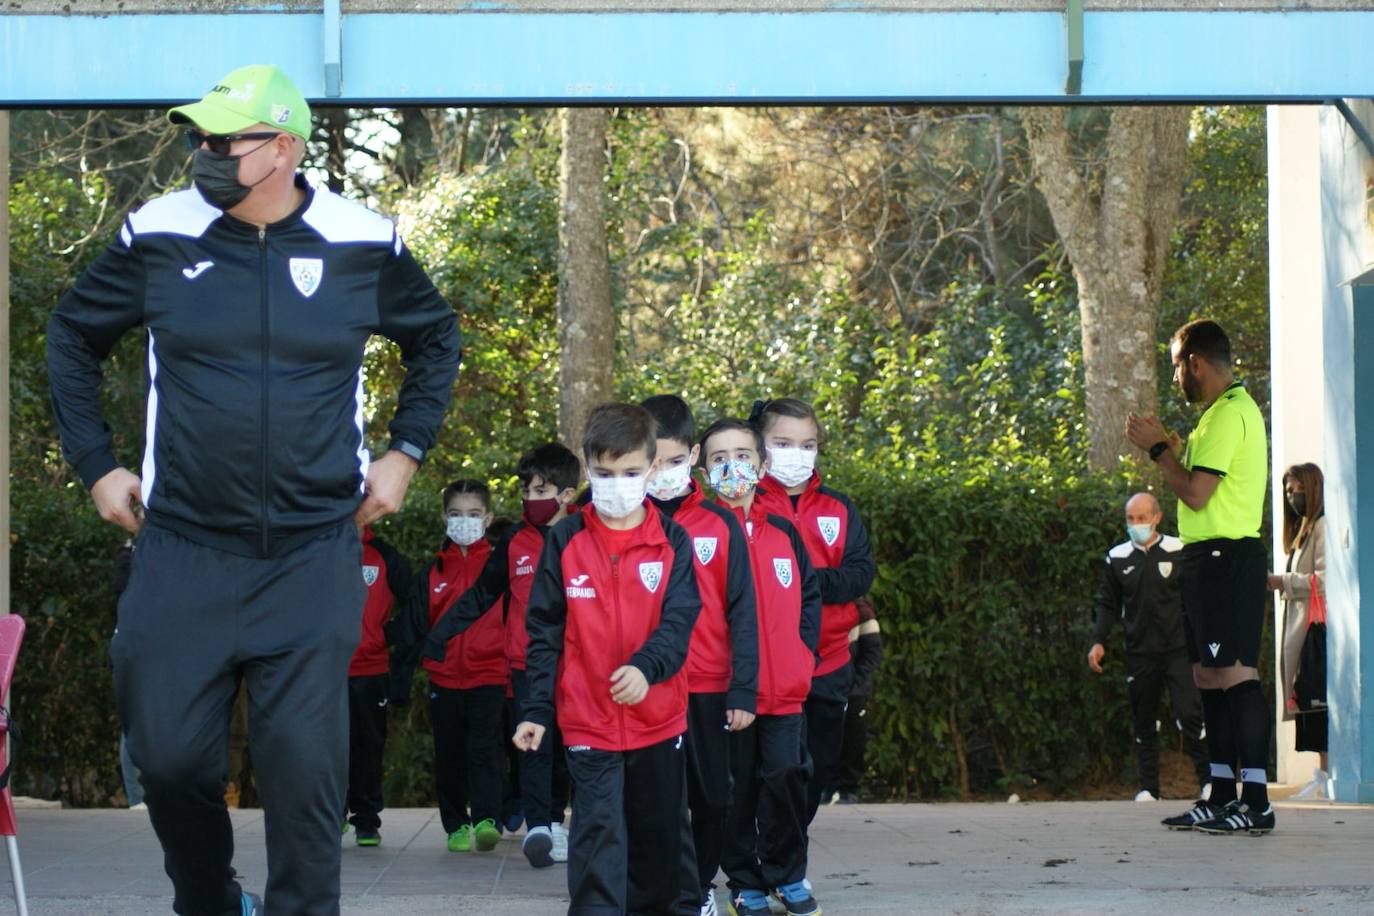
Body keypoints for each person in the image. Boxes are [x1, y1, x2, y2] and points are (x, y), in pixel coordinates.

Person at [47, 63, 460, 914]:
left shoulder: (362, 240)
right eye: (199, 137)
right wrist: (96, 464)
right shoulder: (157, 233)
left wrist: (405, 453)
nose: (202, 152)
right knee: (166, 760)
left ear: (283, 148)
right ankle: (209, 895)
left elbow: (437, 340)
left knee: (306, 782)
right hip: (181, 549)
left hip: (311, 554)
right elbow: (71, 337)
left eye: (221, 139)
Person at [514, 403, 701, 916]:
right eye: (604, 474)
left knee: (657, 854)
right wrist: (535, 711)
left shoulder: (673, 541)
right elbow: (545, 630)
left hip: (659, 724)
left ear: (653, 467)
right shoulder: (565, 539)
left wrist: (646, 668)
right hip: (588, 725)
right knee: (597, 851)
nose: (618, 484)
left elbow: (680, 620)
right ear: (587, 466)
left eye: (631, 472)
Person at [1126, 319, 1271, 835]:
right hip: (1207, 559)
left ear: (1196, 362)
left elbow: (1194, 494)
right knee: (1209, 676)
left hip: (1226, 560)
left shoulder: (1231, 414)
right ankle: (1220, 793)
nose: (1175, 380)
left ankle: (1256, 802)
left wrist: (1160, 448)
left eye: (1176, 368)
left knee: (1235, 674)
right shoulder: (1217, 416)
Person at [422, 443, 582, 867]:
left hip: (578, 665)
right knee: (533, 748)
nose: (531, 501)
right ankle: (540, 828)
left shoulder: (584, 535)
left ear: (566, 494)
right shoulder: (513, 541)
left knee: (569, 749)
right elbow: (482, 595)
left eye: (540, 491)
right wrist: (441, 635)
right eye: (525, 493)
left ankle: (559, 820)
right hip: (526, 665)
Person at [639, 395, 759, 916]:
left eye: (673, 460)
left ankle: (702, 882)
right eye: (652, 461)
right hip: (645, 687)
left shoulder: (718, 522)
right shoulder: (621, 520)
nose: (662, 472)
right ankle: (668, 889)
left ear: (692, 456)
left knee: (711, 797)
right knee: (655, 800)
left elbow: (743, 611)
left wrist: (743, 687)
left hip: (709, 688)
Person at [703, 418, 823, 916]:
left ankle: (788, 873)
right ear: (702, 467)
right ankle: (745, 881)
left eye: (743, 455)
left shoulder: (784, 534)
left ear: (763, 464)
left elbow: (809, 598)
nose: (733, 466)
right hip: (730, 692)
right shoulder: (696, 531)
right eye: (719, 458)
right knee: (737, 789)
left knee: (787, 778)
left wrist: (802, 653)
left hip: (785, 690)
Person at [750, 398, 874, 826]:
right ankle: (766, 856)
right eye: (783, 443)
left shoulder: (839, 508)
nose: (796, 454)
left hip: (830, 661)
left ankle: (788, 846)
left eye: (808, 444)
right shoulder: (746, 505)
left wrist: (800, 582)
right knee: (771, 769)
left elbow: (859, 575)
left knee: (818, 769)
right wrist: (820, 581)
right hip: (767, 664)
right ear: (760, 445)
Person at [1088, 493, 1209, 802]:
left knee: (1190, 714)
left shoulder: (1178, 550)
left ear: (1156, 518)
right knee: (1144, 719)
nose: (1136, 524)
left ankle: (1210, 782)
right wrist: (1098, 640)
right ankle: (1148, 789)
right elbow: (1107, 603)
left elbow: (1196, 599)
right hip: (1140, 652)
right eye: (1130, 519)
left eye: (1141, 518)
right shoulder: (1117, 557)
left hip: (1179, 650)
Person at [416, 481, 509, 853]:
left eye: (473, 515)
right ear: (444, 518)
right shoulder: (434, 569)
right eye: (456, 514)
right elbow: (420, 621)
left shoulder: (499, 565)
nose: (464, 522)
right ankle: (455, 824)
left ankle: (488, 819)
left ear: (487, 518)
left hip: (489, 673)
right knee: (449, 753)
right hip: (444, 677)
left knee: (486, 749)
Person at [343, 525, 410, 846]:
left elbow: (415, 602)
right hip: (320, 671)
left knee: (367, 745)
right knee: (322, 746)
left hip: (371, 670)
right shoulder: (314, 548)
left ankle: (366, 820)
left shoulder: (384, 554)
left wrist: (386, 637)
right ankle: (330, 814)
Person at [1270, 463, 1328, 798]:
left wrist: (1283, 581)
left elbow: (1325, 579)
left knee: (1316, 698)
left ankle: (1326, 773)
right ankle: (1320, 773)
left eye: (1298, 490)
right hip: (1300, 626)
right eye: (1289, 492)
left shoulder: (1322, 527)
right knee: (1309, 699)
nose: (1293, 497)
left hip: (1313, 628)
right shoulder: (1305, 530)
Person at [829, 595, 882, 804]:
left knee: (853, 737)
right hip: (825, 686)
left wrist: (857, 683)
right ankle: (825, 787)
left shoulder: (862, 610)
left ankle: (848, 788)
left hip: (853, 690)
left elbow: (872, 653)